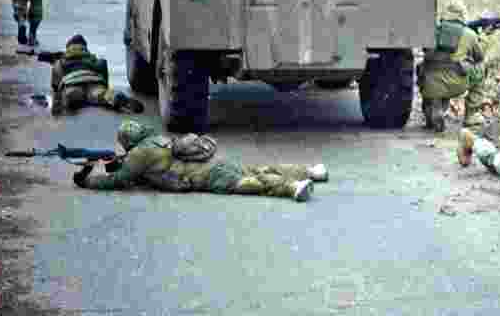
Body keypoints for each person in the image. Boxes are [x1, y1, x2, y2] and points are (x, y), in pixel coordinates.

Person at [73, 120, 329, 202]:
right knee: (260, 168)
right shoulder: (157, 140)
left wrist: (88, 181)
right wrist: (116, 163)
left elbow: (119, 181)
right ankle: (310, 171)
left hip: (205, 177)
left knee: (251, 183)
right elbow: (138, 173)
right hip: (214, 162)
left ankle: (293, 188)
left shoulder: (139, 155)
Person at [418, 0, 487, 132]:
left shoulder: (432, 31)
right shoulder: (469, 34)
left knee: (425, 69)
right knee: (481, 68)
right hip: (457, 84)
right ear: (463, 15)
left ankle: (430, 114)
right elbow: (479, 57)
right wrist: (483, 37)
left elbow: (426, 51)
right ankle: (471, 115)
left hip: (431, 84)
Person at [51, 34, 145, 116]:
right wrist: (105, 85)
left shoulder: (61, 61)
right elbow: (102, 65)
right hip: (94, 81)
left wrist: (56, 89)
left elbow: (56, 75)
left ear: (68, 48)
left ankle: (71, 98)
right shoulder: (91, 58)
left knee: (72, 94)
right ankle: (116, 98)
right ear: (85, 47)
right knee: (101, 94)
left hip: (72, 82)